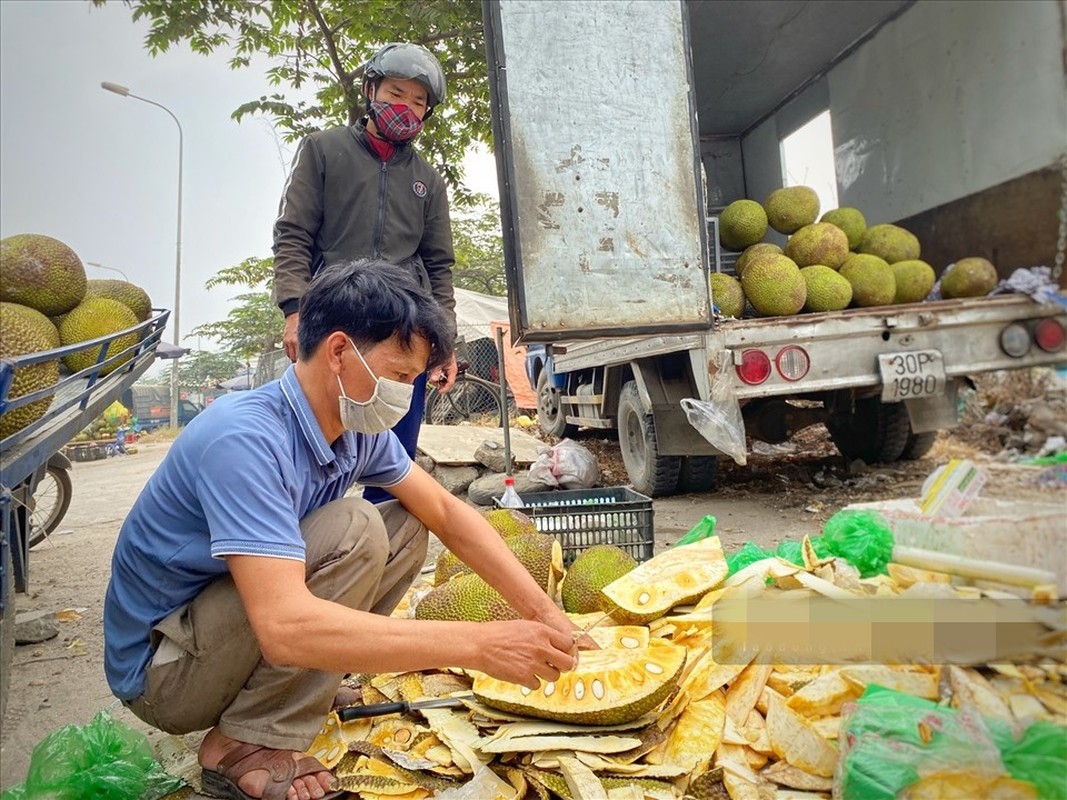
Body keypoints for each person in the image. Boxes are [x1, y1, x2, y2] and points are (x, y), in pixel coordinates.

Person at [104, 260, 583, 800]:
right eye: (401, 376)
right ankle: (240, 743)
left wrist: (543, 611)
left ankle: (302, 690)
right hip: (164, 672)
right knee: (356, 526)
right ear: (338, 352)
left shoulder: (356, 426)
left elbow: (449, 515)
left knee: (406, 524)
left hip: (219, 635)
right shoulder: (243, 439)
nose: (406, 392)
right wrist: (480, 645)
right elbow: (284, 626)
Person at [272, 42, 459, 506]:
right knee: (312, 447)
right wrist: (295, 310)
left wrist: (445, 344)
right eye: (397, 93)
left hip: (402, 330)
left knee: (396, 458)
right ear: (371, 90)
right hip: (334, 321)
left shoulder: (428, 181)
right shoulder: (323, 150)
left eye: (419, 102)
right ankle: (305, 552)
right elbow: (293, 234)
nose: (407, 108)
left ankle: (382, 556)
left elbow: (439, 265)